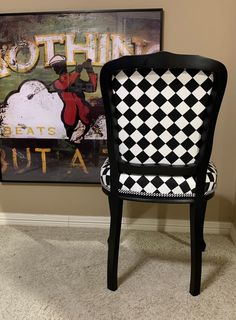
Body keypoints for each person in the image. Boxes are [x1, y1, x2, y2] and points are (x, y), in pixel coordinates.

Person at [49, 54, 97, 142]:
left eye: (58, 66)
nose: (57, 69)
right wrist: (77, 72)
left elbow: (92, 88)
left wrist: (89, 70)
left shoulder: (76, 79)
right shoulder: (57, 83)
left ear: (64, 65)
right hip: (70, 119)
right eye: (55, 67)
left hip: (84, 117)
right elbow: (66, 85)